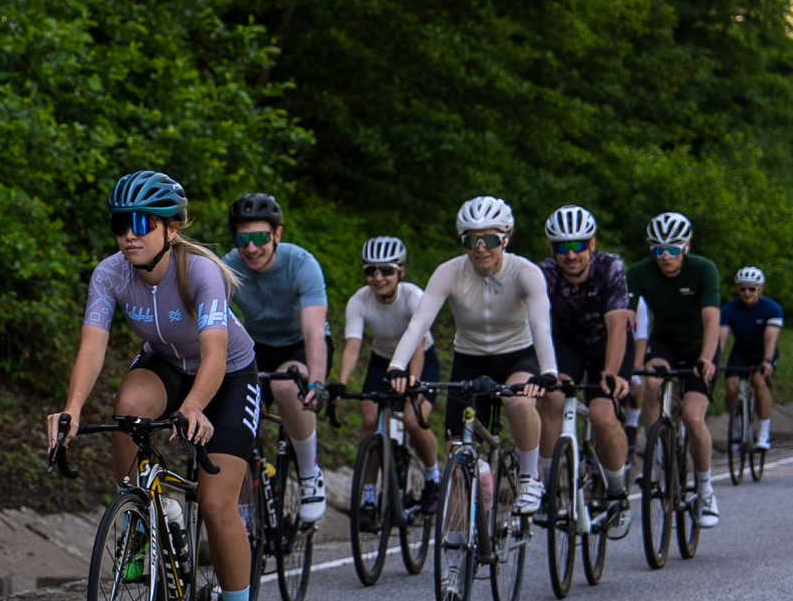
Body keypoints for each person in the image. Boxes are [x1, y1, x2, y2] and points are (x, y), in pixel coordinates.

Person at [48, 171, 262, 601]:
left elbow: (213, 354)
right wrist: (72, 409)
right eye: (122, 223)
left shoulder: (201, 272)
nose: (130, 234)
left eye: (143, 223)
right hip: (165, 362)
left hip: (228, 375)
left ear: (173, 228)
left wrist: (194, 406)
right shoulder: (111, 274)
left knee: (215, 502)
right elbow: (93, 346)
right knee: (128, 412)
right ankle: (149, 517)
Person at [381, 197, 558, 514]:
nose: (480, 248)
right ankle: (455, 551)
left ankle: (530, 478)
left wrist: (548, 371)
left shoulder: (526, 273)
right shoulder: (449, 272)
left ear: (506, 238)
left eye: (489, 239)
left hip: (518, 356)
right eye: (470, 240)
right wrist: (396, 365)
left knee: (518, 401)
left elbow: (541, 327)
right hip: (470, 360)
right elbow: (420, 323)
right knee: (458, 459)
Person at [223, 193, 330, 522]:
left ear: (277, 236)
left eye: (259, 238)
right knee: (231, 411)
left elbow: (313, 329)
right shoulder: (228, 266)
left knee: (287, 387)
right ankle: (244, 504)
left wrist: (317, 382)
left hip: (298, 343)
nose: (251, 248)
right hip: (254, 347)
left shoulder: (301, 263)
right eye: (243, 239)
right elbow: (215, 324)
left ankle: (309, 473)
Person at [534, 205, 634, 537]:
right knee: (551, 399)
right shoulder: (543, 274)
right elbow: (537, 326)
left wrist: (611, 373)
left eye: (578, 246)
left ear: (592, 245)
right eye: (563, 247)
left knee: (602, 415)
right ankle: (550, 488)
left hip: (607, 343)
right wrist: (548, 369)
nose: (571, 255)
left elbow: (618, 326)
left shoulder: (610, 269)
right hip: (566, 343)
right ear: (553, 250)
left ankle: (618, 491)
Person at [627, 212, 723, 526]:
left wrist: (707, 358)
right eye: (658, 251)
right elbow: (627, 317)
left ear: (686, 246)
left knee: (693, 417)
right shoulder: (640, 273)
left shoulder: (703, 270)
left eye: (673, 249)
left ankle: (706, 488)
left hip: (699, 346)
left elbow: (712, 319)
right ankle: (659, 454)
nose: (665, 257)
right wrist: (630, 364)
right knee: (652, 382)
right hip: (665, 343)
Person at [334, 236, 439, 514]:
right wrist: (342, 383)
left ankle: (433, 479)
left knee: (413, 421)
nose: (378, 278)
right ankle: (369, 495)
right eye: (371, 271)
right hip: (383, 361)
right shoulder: (360, 300)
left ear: (401, 271)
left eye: (387, 270)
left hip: (420, 359)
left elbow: (417, 345)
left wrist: (413, 382)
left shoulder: (414, 297)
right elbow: (353, 345)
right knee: (369, 420)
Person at [719, 267, 785, 449]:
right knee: (731, 387)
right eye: (742, 289)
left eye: (752, 289)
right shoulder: (728, 310)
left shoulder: (772, 309)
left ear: (760, 290)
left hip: (763, 351)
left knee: (759, 381)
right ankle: (738, 427)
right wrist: (715, 361)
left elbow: (771, 339)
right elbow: (722, 339)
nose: (746, 293)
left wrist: (767, 361)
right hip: (741, 351)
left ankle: (764, 433)